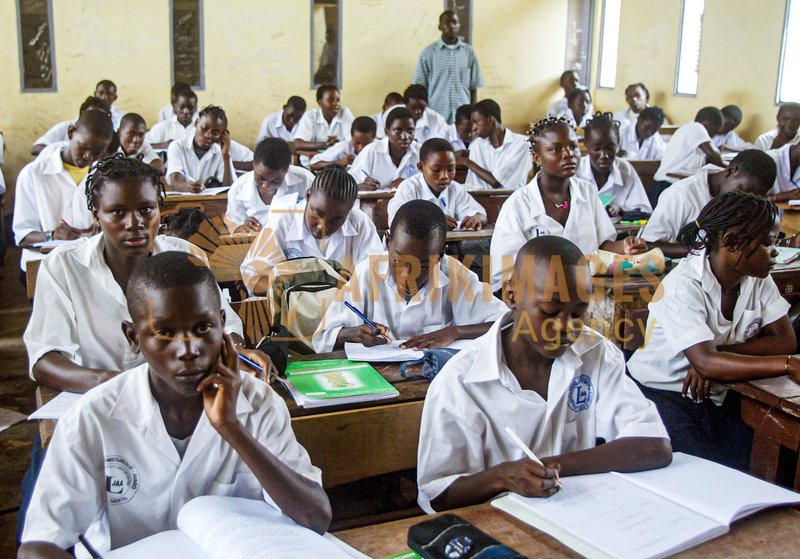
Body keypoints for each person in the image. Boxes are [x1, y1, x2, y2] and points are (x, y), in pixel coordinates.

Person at [18, 251, 330, 557]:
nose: (188, 350)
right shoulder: (93, 417)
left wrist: (231, 427)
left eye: (203, 328)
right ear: (133, 337)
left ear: (223, 325)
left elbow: (315, 516)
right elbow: (38, 546)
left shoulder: (258, 403)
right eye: (164, 332)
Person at [416, 235, 671, 513]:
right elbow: (438, 494)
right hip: (497, 526)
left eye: (578, 312)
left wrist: (551, 466)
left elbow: (654, 446)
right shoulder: (461, 380)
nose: (565, 327)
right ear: (511, 295)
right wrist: (502, 477)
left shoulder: (596, 354)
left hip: (579, 516)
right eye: (550, 311)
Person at [628, 192, 800, 471]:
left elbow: (784, 340)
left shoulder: (757, 279)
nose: (775, 251)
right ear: (732, 243)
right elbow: (708, 363)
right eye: (768, 243)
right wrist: (787, 365)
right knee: (699, 470)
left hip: (720, 391)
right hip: (662, 393)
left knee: (768, 457)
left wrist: (717, 358)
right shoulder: (683, 285)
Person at [313, 199, 508, 353]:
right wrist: (353, 333)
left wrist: (453, 332)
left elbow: (507, 322)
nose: (407, 276)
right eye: (398, 262)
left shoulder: (455, 274)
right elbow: (323, 336)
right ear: (388, 242)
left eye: (422, 267)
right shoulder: (367, 273)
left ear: (440, 254)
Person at [489, 116, 647, 292]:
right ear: (537, 157)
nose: (568, 154)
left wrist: (624, 246)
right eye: (556, 149)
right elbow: (504, 273)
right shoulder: (518, 205)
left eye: (572, 146)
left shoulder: (587, 192)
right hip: (538, 298)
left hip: (586, 293)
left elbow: (602, 244)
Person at [240, 164, 382, 295]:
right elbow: (254, 278)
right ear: (308, 196)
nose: (323, 227)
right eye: (317, 214)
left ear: (349, 210)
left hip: (348, 312)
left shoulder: (360, 224)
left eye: (335, 220)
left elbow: (376, 276)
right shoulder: (281, 223)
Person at [13, 110, 113, 273]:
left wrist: (103, 228)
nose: (88, 156)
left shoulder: (105, 176)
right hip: (44, 267)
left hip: (89, 265)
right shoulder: (33, 174)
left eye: (97, 153)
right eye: (83, 147)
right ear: (71, 132)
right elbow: (21, 236)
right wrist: (52, 236)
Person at [641, 150, 776, 258]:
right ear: (731, 171)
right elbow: (648, 244)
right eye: (743, 190)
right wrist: (703, 249)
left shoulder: (744, 202)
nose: (745, 200)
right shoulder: (681, 193)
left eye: (754, 197)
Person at [388, 138, 486, 230]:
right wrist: (433, 221)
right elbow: (395, 220)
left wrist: (476, 218)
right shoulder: (409, 188)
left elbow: (481, 214)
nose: (445, 176)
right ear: (421, 167)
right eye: (437, 170)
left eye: (450, 170)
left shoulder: (454, 188)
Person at [226, 138, 314, 233]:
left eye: (276, 181)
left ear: (286, 170)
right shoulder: (238, 189)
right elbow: (234, 228)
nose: (266, 186)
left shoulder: (307, 181)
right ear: (254, 165)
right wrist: (242, 229)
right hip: (256, 245)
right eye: (261, 178)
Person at [412, 10, 484, 124]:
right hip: (436, 115)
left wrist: (473, 113)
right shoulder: (429, 53)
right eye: (447, 23)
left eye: (455, 22)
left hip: (464, 117)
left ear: (459, 26)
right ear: (440, 27)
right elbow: (419, 87)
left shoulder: (469, 53)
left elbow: (473, 87)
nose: (451, 26)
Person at [575, 112, 651, 215]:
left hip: (618, 230)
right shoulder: (575, 172)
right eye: (597, 149)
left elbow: (643, 210)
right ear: (586, 145)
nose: (604, 155)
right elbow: (563, 207)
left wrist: (621, 210)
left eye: (610, 148)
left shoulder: (625, 170)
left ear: (618, 142)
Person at [651, 107, 726, 205]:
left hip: (672, 183)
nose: (714, 136)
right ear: (709, 123)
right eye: (715, 131)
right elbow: (712, 153)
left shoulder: (690, 128)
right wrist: (727, 168)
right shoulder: (696, 127)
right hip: (667, 184)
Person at [458, 99, 532, 190]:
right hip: (478, 199)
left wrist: (466, 162)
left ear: (490, 120)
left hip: (508, 200)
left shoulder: (522, 144)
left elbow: (496, 182)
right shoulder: (477, 144)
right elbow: (474, 185)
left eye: (476, 121)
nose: (473, 128)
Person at [166, 105, 234, 192]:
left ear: (222, 135)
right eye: (204, 128)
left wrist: (226, 156)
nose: (207, 135)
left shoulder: (221, 153)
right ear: (196, 122)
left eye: (215, 133)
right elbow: (175, 183)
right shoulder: (177, 147)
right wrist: (188, 187)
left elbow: (228, 190)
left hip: (210, 204)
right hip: (182, 203)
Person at [349, 107, 420, 190]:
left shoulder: (421, 152)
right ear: (387, 132)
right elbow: (348, 185)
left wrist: (409, 183)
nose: (405, 137)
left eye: (410, 130)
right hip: (375, 202)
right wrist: (360, 186)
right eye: (398, 131)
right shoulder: (371, 151)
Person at [292, 84, 354, 165]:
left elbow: (351, 141)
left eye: (338, 100)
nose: (336, 103)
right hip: (312, 165)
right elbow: (298, 143)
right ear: (319, 102)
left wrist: (336, 145)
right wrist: (324, 144)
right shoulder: (311, 116)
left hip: (340, 165)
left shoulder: (345, 113)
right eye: (330, 100)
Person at [31, 96, 110, 156]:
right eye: (90, 114)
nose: (94, 119)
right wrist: (64, 154)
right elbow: (35, 149)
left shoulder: (106, 137)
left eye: (100, 116)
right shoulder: (66, 127)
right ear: (82, 112)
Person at [309, 116, 377, 172]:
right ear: (351, 136)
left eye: (366, 144)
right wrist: (340, 162)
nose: (360, 148)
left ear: (374, 139)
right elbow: (313, 165)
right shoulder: (344, 146)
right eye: (357, 143)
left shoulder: (380, 149)